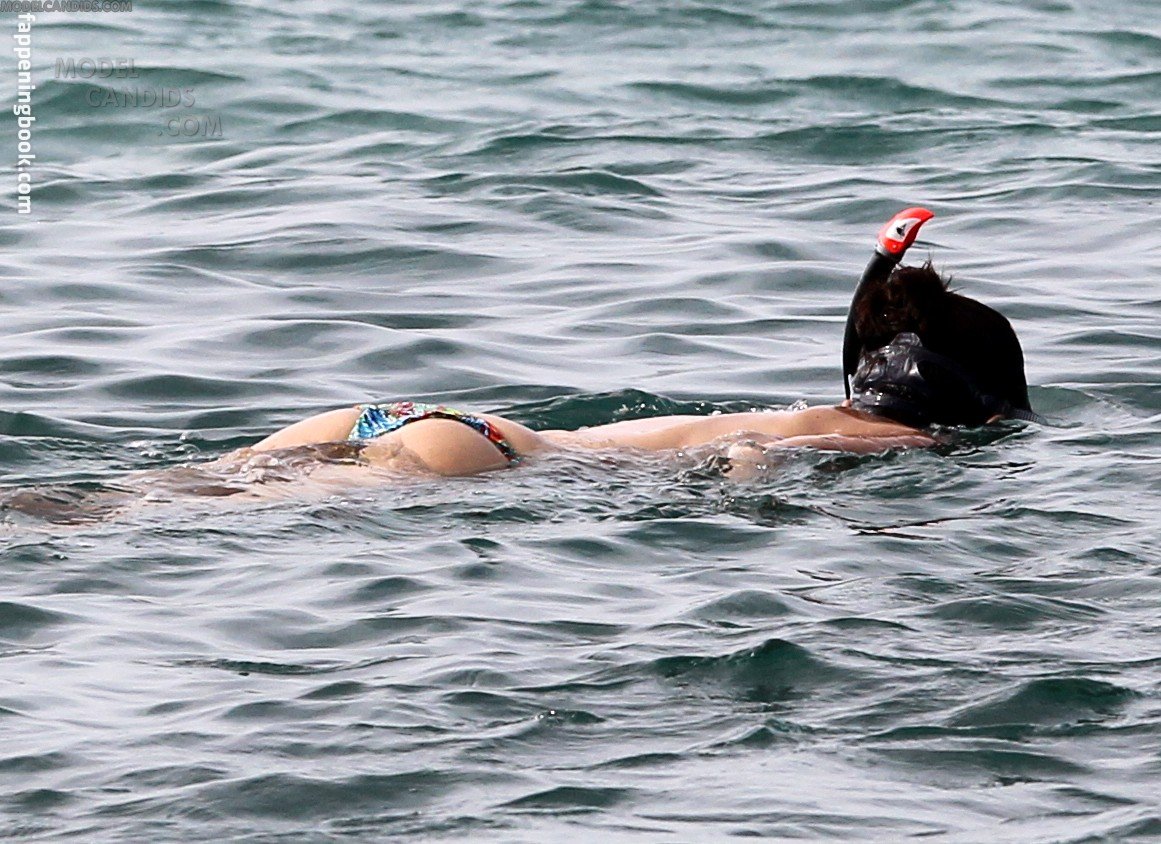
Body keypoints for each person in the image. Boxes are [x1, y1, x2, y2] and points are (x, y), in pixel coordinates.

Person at [239, 208, 1042, 478]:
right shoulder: (902, 440)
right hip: (485, 459)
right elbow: (754, 453)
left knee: (179, 503)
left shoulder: (815, 409)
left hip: (434, 421)